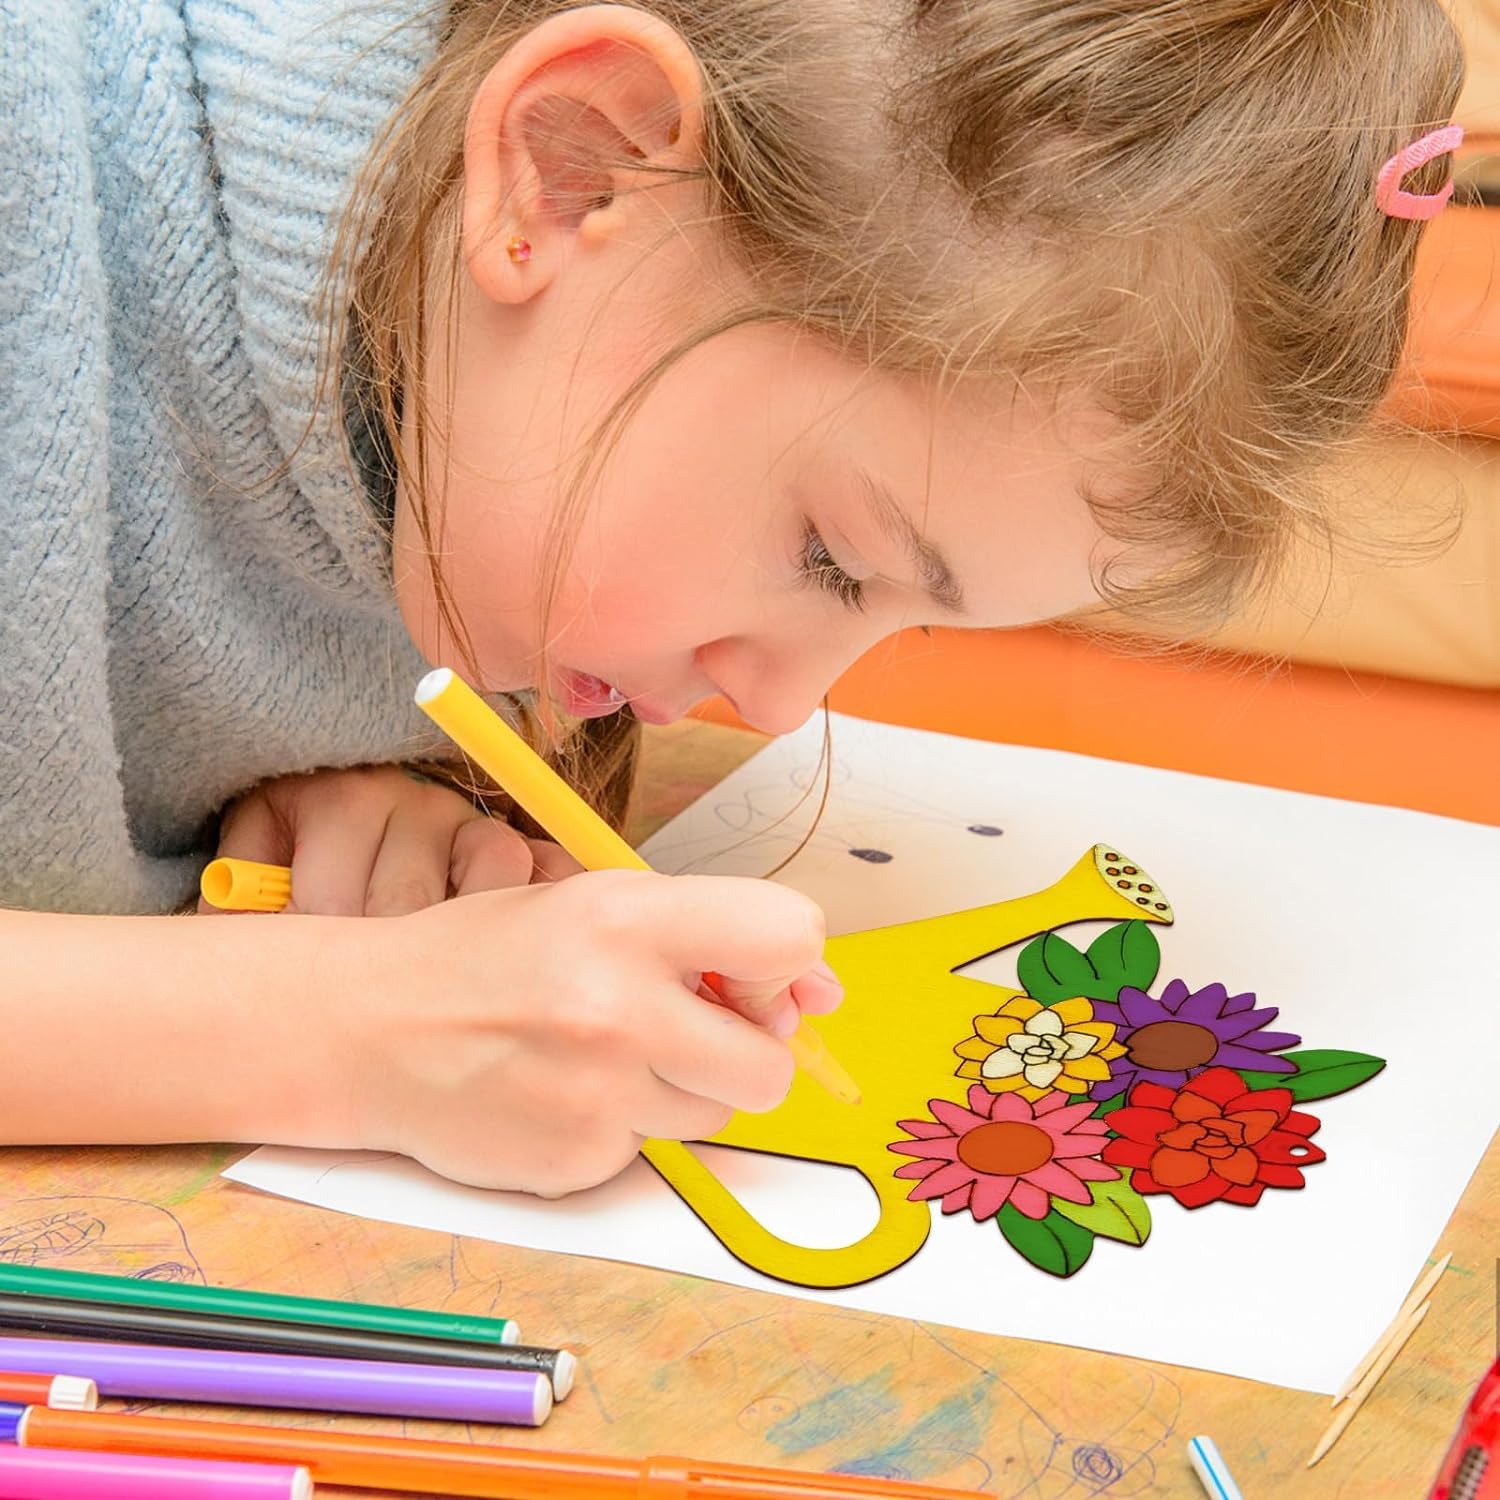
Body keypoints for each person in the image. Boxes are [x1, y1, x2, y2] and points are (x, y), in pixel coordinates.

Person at [0, 0, 1464, 1193]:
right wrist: (335, 1030)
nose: (776, 700)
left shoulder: (471, 439)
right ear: (575, 173)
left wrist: (313, 787)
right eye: (834, 556)